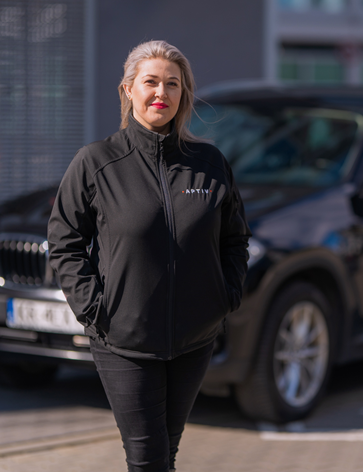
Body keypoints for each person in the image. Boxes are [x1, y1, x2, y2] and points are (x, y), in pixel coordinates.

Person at [47, 40, 251, 472]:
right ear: (128, 90)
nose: (162, 93)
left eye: (172, 84)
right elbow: (64, 241)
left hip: (194, 340)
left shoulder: (209, 164)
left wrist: (225, 297)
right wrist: (95, 310)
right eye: (151, 82)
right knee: (146, 457)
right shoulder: (96, 162)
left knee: (165, 454)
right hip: (124, 342)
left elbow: (235, 239)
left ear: (184, 93)